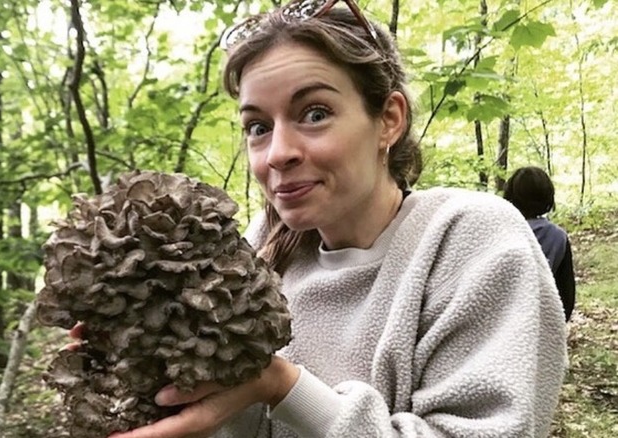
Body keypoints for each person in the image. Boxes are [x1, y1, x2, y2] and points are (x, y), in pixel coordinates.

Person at [103, 1, 568, 436]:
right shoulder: (258, 249)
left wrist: (283, 387)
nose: (278, 153)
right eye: (258, 127)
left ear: (388, 119)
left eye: (315, 113)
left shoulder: (470, 239)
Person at [504, 166, 576, 321]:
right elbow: (566, 298)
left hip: (498, 324)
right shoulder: (558, 238)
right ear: (548, 196)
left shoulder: (499, 230)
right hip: (539, 322)